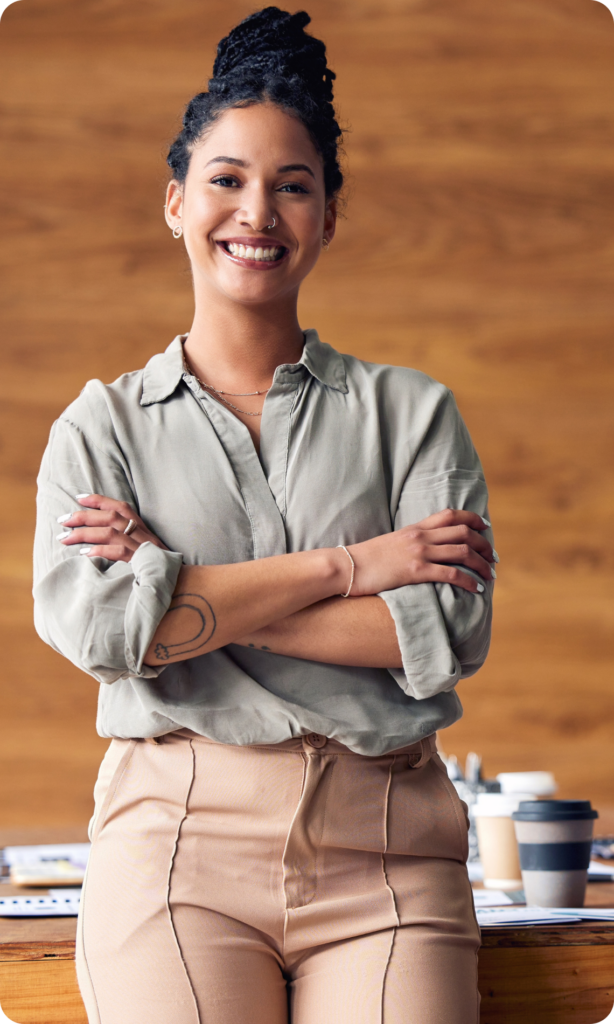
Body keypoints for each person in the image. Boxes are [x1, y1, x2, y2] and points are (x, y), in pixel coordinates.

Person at [34, 8, 496, 1023]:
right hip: (171, 856)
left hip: (388, 861)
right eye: (227, 179)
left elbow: (443, 633)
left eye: (293, 186)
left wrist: (177, 580)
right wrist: (355, 566)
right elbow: (108, 632)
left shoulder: (411, 413)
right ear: (174, 201)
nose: (258, 212)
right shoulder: (100, 426)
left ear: (329, 216)